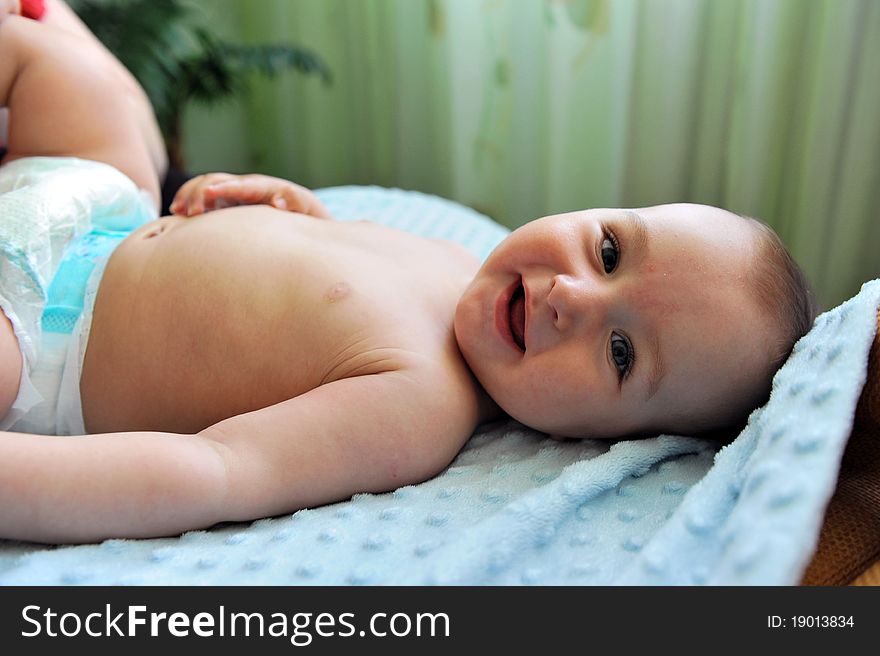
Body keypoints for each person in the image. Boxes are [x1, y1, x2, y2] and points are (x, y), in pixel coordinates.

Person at [0, 7, 816, 544]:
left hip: (42, 342)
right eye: (608, 251)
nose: (574, 298)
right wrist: (283, 207)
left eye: (621, 355)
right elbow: (316, 274)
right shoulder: (460, 262)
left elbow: (218, 471)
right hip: (106, 213)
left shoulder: (419, 407)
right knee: (78, 73)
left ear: (605, 438)